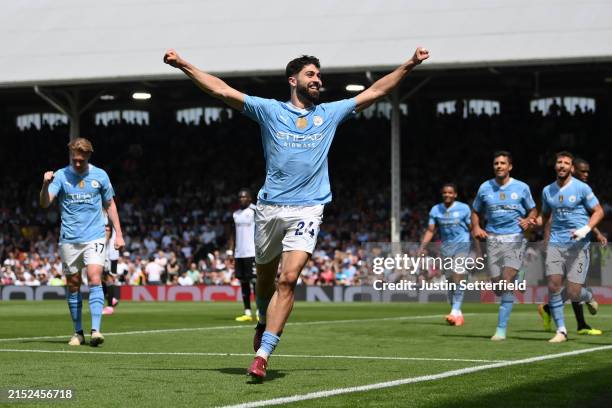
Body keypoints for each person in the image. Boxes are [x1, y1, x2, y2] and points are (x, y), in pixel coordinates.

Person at [164, 45, 429, 379]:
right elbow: (221, 89)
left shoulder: (330, 113)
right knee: (264, 281)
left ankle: (263, 355)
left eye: (319, 74)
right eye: (311, 74)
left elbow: (376, 90)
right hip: (270, 208)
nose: (318, 79)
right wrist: (183, 64)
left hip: (308, 208)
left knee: (288, 280)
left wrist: (410, 64)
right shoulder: (269, 111)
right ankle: (262, 320)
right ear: (293, 80)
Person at [40, 138, 124, 346]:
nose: (78, 163)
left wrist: (119, 233)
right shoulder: (60, 176)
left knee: (95, 278)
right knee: (74, 284)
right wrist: (45, 184)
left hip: (94, 236)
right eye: (75, 159)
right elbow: (44, 203)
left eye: (81, 160)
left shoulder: (100, 175)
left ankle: (96, 330)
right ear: (71, 156)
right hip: (69, 238)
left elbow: (110, 205)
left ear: (88, 156)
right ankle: (78, 332)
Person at [536, 152, 604, 342]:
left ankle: (588, 295)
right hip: (556, 244)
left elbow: (598, 211)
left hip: (578, 245)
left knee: (574, 292)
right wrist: (534, 221)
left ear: (571, 168)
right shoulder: (547, 190)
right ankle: (561, 331)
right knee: (554, 285)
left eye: (566, 163)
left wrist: (586, 229)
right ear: (555, 166)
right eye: (559, 162)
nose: (562, 166)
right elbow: (546, 216)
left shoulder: (582, 188)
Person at [471, 151, 536, 341]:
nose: (499, 166)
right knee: (497, 288)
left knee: (505, 283)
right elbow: (475, 211)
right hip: (493, 239)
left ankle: (501, 329)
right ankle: (518, 275)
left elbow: (533, 210)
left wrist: (529, 220)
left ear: (510, 167)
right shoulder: (485, 187)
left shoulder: (521, 187)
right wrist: (476, 226)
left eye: (502, 163)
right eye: (496, 163)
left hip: (515, 238)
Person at [418, 183, 471, 326]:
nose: (447, 195)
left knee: (458, 273)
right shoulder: (436, 210)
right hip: (446, 248)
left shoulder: (464, 208)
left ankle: (454, 310)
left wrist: (478, 248)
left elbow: (472, 228)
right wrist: (422, 247)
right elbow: (430, 230)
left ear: (455, 195)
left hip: (462, 245)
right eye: (445, 193)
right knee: (450, 280)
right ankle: (458, 314)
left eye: (450, 192)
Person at [229, 189, 258, 322]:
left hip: (252, 253)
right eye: (240, 197)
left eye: (244, 197)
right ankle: (247, 312)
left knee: (255, 282)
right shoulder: (235, 214)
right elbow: (232, 234)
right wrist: (231, 251)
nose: (241, 199)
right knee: (243, 282)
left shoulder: (254, 211)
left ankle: (260, 312)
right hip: (239, 254)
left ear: (250, 199)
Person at [102, 218, 120, 315]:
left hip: (110, 256)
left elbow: (108, 234)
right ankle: (112, 299)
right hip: (108, 255)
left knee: (109, 279)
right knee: (102, 278)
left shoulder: (107, 219)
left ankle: (109, 307)